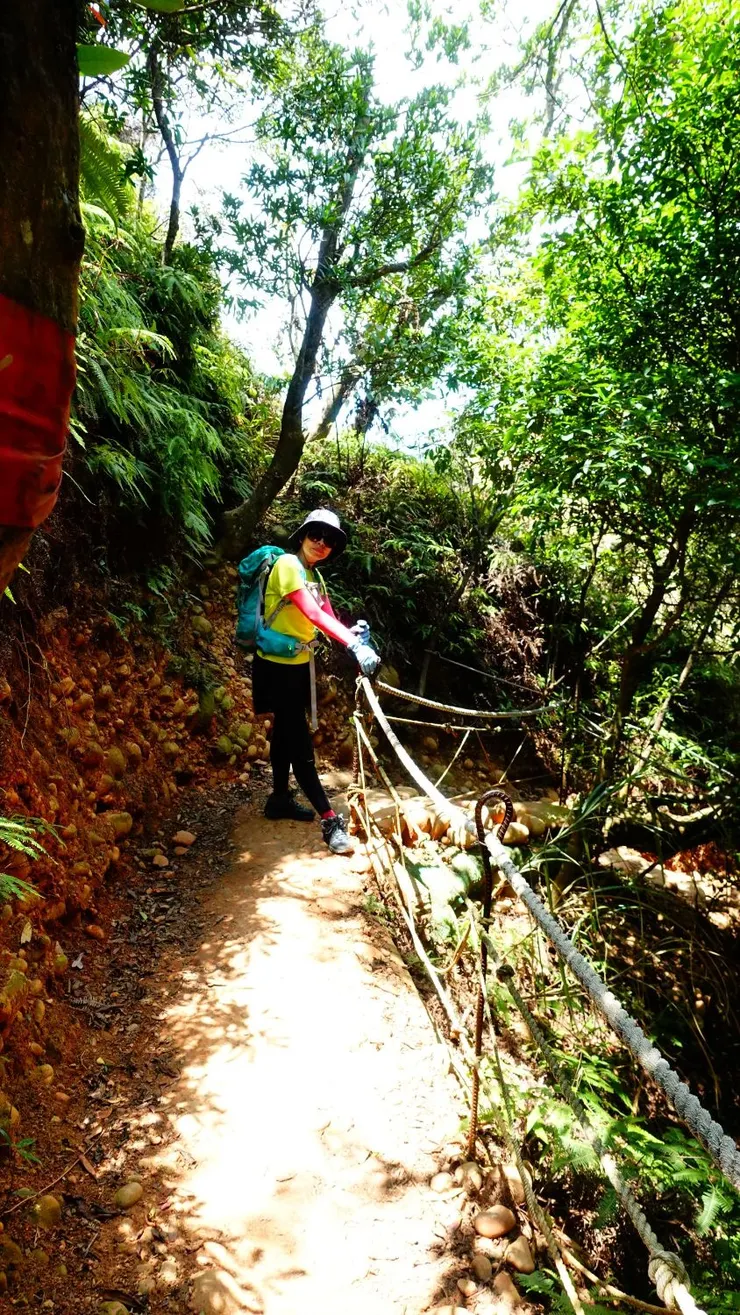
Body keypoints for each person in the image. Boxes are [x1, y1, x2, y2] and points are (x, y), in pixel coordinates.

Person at [252, 508, 381, 855]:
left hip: (296, 663)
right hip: (277, 667)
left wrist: (351, 633)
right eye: (316, 535)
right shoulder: (288, 566)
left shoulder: (312, 575)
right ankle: (329, 820)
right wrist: (353, 645)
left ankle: (279, 799)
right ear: (303, 535)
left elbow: (325, 615)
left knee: (284, 731)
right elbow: (309, 613)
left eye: (330, 540)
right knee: (299, 742)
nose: (322, 543)